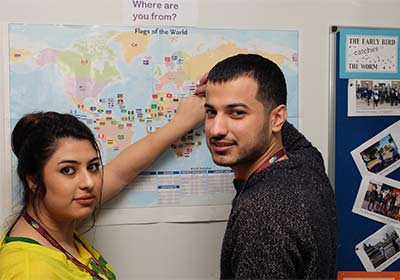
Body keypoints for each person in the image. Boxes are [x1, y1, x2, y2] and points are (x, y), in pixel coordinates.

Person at [0, 94, 205, 279]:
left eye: (93, 166)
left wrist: (181, 123)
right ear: (34, 181)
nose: (89, 182)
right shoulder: (29, 271)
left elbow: (120, 172)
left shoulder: (58, 222)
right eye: (68, 170)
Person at [202, 54, 337, 279]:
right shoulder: (307, 163)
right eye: (211, 112)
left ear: (277, 119)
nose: (216, 129)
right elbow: (292, 137)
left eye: (236, 113)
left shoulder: (261, 215)